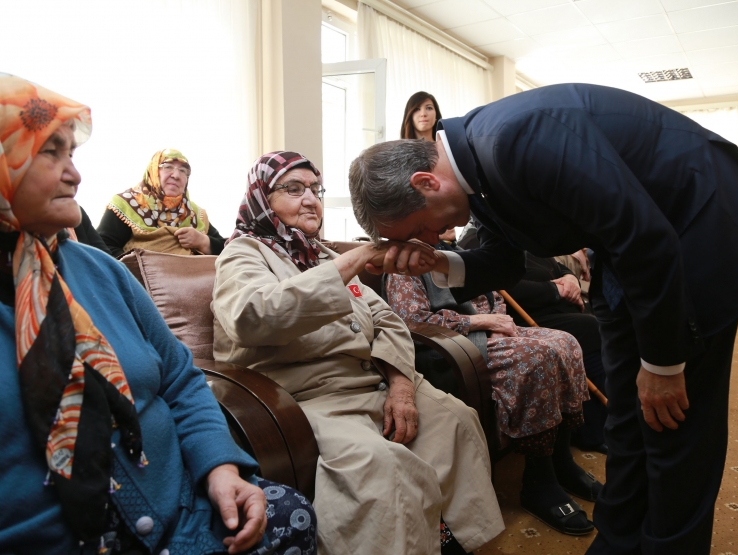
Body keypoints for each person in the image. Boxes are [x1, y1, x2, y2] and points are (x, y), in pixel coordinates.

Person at [348, 83, 738, 555]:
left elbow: (648, 239)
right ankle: (618, 542)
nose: (431, 238)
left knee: (676, 426)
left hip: (700, 226)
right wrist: (437, 262)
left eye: (417, 231)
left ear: (425, 184)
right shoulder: (473, 164)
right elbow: (505, 262)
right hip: (632, 251)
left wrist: (662, 365)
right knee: (627, 418)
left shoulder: (516, 139)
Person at [0, 74, 316, 555]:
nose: (76, 175)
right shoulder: (125, 215)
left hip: (186, 514)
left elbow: (181, 380)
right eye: (50, 153)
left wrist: (220, 469)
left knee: (291, 512)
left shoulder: (100, 272)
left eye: (72, 154)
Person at [211, 151, 504, 555]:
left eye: (315, 189)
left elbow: (388, 321)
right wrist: (361, 256)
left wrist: (401, 383)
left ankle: (447, 537)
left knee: (456, 420)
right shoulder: (244, 253)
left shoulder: (324, 256)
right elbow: (252, 317)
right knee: (382, 466)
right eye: (293, 189)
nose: (311, 199)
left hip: (375, 384)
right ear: (263, 198)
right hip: (306, 399)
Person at [385, 230, 599, 536]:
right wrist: (481, 322)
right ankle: (540, 481)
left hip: (489, 335)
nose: (449, 224)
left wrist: (497, 321)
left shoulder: (455, 253)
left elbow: (494, 297)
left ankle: (562, 461)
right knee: (535, 358)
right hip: (452, 347)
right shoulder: (404, 262)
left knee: (566, 342)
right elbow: (408, 320)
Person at [460, 227, 607, 452]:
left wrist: (569, 278)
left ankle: (600, 422)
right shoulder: (476, 239)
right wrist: (555, 291)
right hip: (528, 314)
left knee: (595, 322)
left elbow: (558, 266)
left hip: (556, 308)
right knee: (592, 329)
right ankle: (593, 431)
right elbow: (502, 285)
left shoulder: (524, 233)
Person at [97, 149, 226, 258]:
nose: (176, 175)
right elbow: (102, 248)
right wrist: (140, 266)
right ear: (153, 171)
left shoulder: (194, 213)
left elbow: (228, 250)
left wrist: (203, 242)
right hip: (139, 284)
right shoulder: (128, 204)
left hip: (192, 285)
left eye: (183, 171)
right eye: (168, 167)